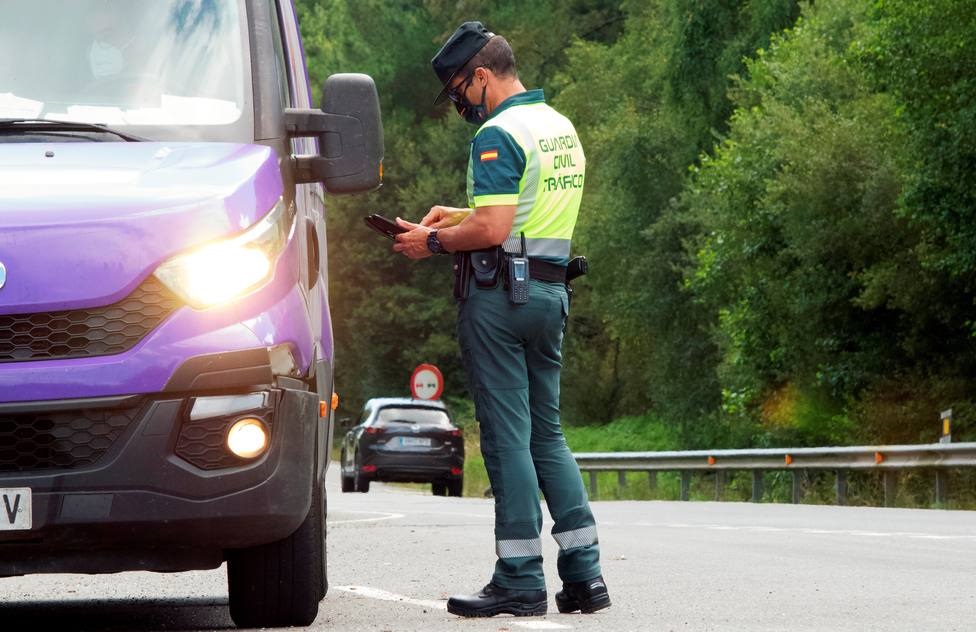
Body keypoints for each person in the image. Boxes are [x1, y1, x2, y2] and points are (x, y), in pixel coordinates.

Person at [393, 21, 611, 618]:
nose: (461, 103)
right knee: (549, 434)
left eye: (461, 90)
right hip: (549, 295)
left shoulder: (496, 136)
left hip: (498, 299)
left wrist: (429, 244)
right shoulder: (558, 128)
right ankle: (585, 575)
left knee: (507, 439)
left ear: (482, 76)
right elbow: (521, 212)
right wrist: (455, 215)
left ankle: (518, 577)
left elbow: (491, 231)